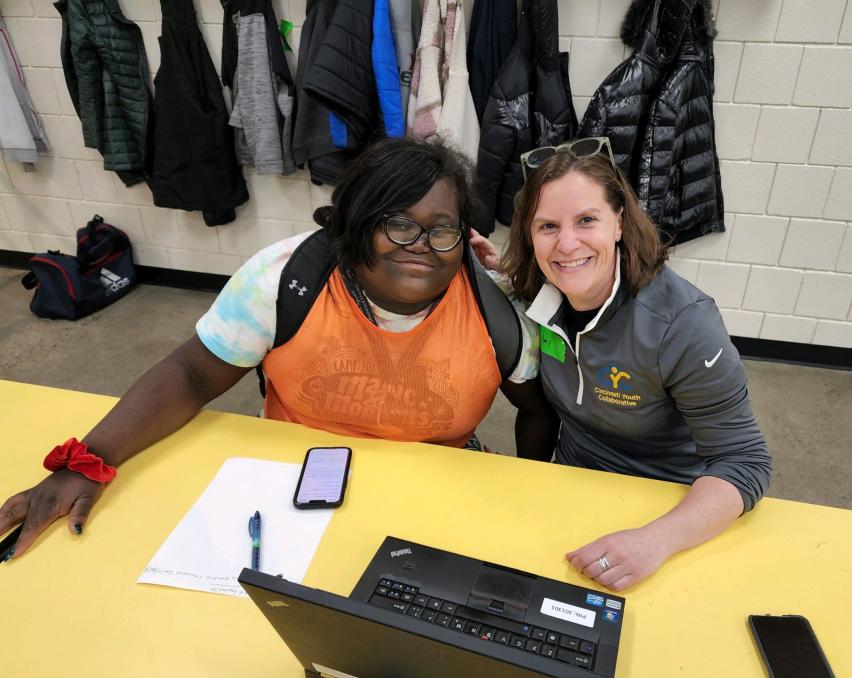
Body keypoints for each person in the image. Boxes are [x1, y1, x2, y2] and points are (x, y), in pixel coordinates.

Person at [0, 138, 558, 560]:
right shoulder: (287, 278)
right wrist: (90, 461)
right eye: (396, 225)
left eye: (442, 229)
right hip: (296, 484)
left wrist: (524, 504)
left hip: (433, 488)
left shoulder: (496, 310)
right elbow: (193, 373)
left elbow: (537, 412)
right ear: (354, 226)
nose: (422, 248)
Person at [473, 137, 772, 591]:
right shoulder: (534, 292)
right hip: (570, 484)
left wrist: (657, 540)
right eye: (548, 226)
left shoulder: (683, 324)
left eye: (586, 220)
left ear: (619, 221)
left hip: (662, 504)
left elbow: (744, 462)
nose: (567, 243)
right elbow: (522, 276)